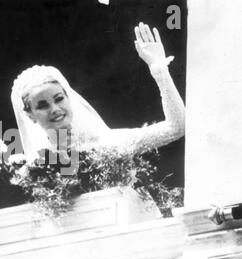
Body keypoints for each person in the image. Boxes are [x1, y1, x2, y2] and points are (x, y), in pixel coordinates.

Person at [10, 23, 185, 158]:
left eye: (58, 98)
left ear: (68, 97)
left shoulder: (106, 144)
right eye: (42, 106)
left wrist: (159, 70)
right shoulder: (34, 167)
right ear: (30, 115)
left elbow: (176, 128)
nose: (55, 109)